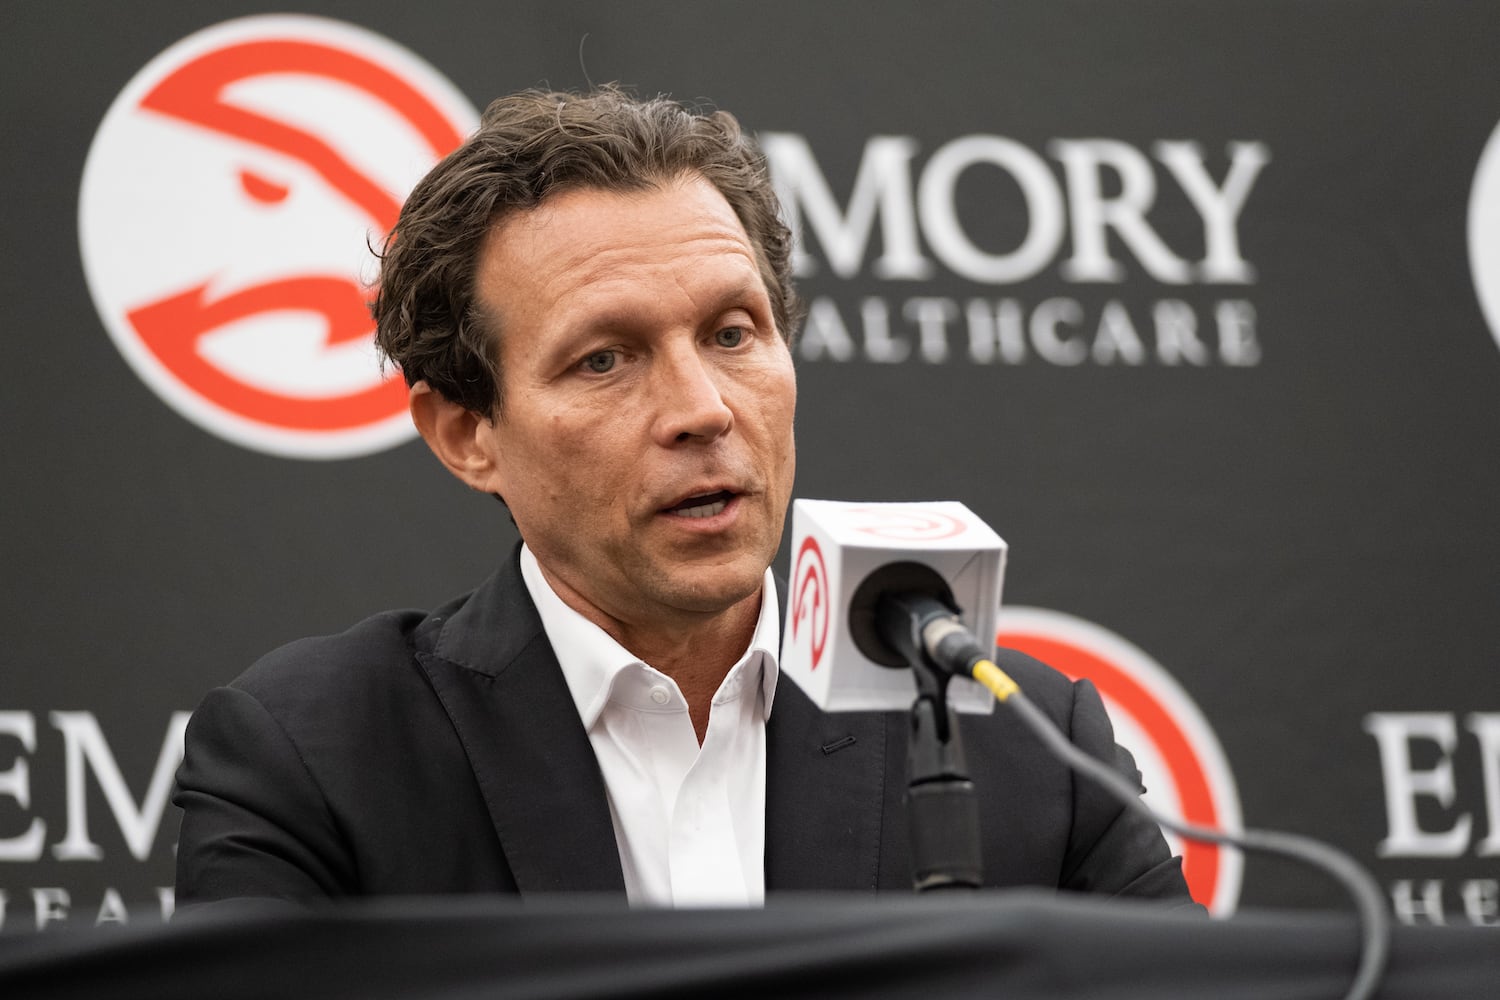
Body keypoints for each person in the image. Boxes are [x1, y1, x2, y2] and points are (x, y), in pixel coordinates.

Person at [173, 86, 1196, 911]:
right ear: (467, 433)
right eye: (605, 358)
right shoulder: (316, 754)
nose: (702, 410)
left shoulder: (1030, 746)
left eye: (732, 333)